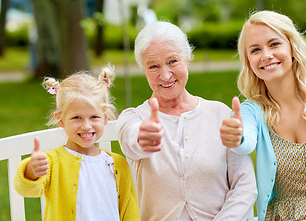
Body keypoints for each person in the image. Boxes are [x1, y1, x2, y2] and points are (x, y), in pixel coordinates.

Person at [220, 10, 306, 221]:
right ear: (248, 60)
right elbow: (245, 142)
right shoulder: (250, 110)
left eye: (274, 44)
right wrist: (237, 137)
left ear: (292, 47)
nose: (266, 55)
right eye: (255, 50)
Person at [116, 21, 257, 221]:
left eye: (173, 61)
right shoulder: (134, 118)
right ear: (143, 69)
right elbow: (133, 140)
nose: (165, 75)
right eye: (153, 66)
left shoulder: (220, 114)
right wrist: (144, 137)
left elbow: (245, 186)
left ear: (188, 59)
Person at [14, 66, 140, 221]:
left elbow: (130, 211)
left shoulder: (118, 164)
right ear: (60, 119)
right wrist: (32, 170)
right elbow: (26, 189)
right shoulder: (53, 162)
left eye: (94, 117)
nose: (86, 125)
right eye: (76, 118)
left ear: (105, 117)